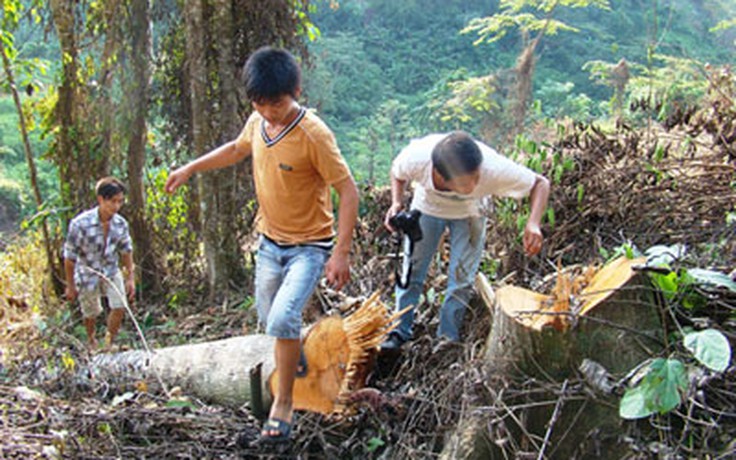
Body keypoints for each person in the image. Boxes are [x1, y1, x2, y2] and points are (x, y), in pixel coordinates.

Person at [164, 46, 359, 444]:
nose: (269, 112)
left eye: (277, 103)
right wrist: (190, 168)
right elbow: (237, 149)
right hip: (269, 243)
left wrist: (340, 252)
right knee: (270, 315)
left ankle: (283, 402)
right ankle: (299, 355)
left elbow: (348, 190)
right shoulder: (258, 121)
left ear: (297, 91)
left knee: (282, 319)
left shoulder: (313, 135)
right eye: (260, 104)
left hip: (309, 246)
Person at [382, 131, 550, 350]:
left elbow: (540, 183)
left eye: (477, 178)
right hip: (427, 208)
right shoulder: (417, 158)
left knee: (461, 279)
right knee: (410, 272)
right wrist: (396, 203)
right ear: (441, 176)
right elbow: (398, 173)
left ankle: (447, 338)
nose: (473, 185)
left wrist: (533, 223)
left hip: (471, 213)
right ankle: (399, 331)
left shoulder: (493, 167)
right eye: (465, 183)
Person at [64, 176, 135, 349]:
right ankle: (91, 340)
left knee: (119, 305)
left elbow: (126, 251)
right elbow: (69, 256)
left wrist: (130, 278)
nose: (116, 206)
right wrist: (70, 285)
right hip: (87, 272)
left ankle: (109, 343)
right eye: (113, 201)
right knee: (91, 312)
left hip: (111, 270)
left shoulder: (120, 224)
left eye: (120, 202)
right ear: (101, 199)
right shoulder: (80, 224)